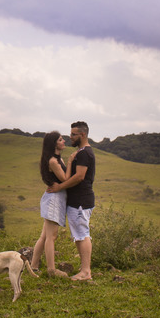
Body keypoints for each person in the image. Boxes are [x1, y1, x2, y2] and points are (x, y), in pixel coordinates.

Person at [47, 120, 95, 281]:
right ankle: (84, 269)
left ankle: (86, 272)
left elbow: (79, 177)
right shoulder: (82, 152)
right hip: (78, 201)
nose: (70, 137)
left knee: (82, 234)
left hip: (81, 201)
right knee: (79, 234)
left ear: (82, 134)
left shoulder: (83, 154)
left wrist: (60, 187)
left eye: (73, 134)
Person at [30, 131, 68, 276]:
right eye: (60, 139)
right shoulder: (53, 161)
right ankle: (51, 270)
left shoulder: (58, 159)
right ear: (54, 144)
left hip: (55, 198)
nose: (63, 141)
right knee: (51, 236)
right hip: (54, 199)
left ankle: (33, 266)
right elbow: (65, 179)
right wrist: (72, 164)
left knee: (45, 236)